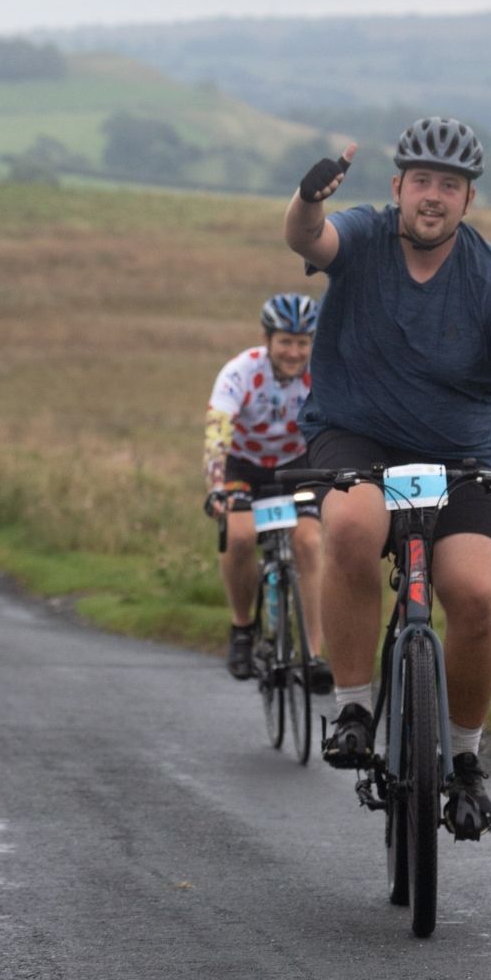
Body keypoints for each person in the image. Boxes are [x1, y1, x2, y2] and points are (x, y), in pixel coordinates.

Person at [284, 117, 491, 840]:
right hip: (358, 439)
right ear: (397, 188)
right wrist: (308, 199)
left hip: (459, 457)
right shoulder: (366, 236)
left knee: (473, 593)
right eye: (421, 182)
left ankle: (466, 763)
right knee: (350, 526)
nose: (433, 197)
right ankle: (353, 707)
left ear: (468, 199)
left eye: (450, 186)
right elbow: (308, 241)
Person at [202, 294, 330, 691]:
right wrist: (217, 487)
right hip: (244, 467)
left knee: (308, 542)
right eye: (285, 342)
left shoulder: (323, 374)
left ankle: (315, 654)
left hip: (296, 466)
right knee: (239, 536)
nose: (294, 352)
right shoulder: (240, 372)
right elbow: (217, 433)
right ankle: (242, 629)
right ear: (267, 339)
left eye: (302, 343)